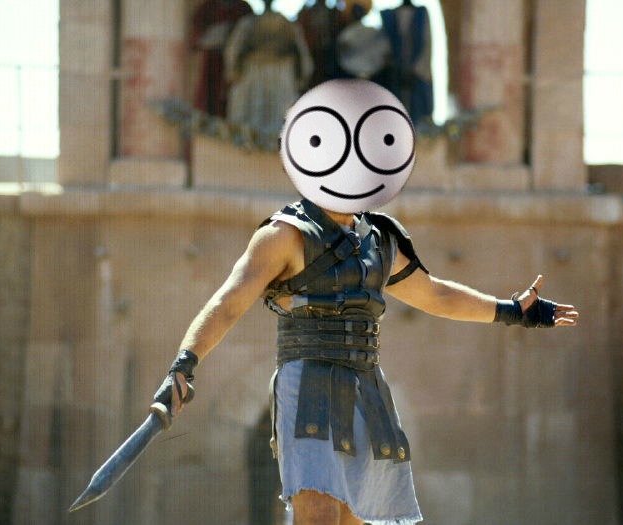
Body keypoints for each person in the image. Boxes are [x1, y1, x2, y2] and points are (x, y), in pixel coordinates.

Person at [153, 79, 579, 525]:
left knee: (355, 518)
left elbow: (434, 294)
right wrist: (184, 364)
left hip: (366, 386)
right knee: (318, 514)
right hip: (308, 387)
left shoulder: (379, 239)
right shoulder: (283, 236)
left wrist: (512, 311)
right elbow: (228, 303)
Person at [224, 0, 313, 136]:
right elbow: (234, 52)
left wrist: (234, 71)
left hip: (274, 75)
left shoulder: (285, 25)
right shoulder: (250, 24)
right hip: (262, 76)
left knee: (275, 123)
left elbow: (233, 52)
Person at [189, 0, 253, 116]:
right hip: (211, 65)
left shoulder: (243, 8)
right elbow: (196, 39)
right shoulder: (207, 8)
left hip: (236, 68)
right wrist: (217, 35)